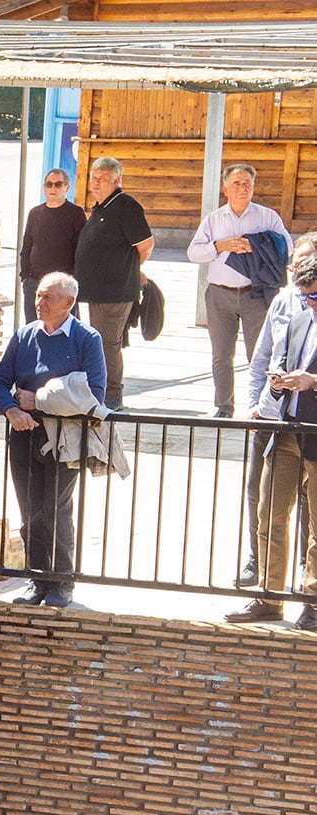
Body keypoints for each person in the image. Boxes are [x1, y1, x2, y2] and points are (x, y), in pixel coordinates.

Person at [0, 273, 107, 610]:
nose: (39, 303)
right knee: (30, 511)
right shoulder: (25, 335)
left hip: (64, 437)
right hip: (24, 436)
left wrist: (37, 401)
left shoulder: (87, 339)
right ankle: (36, 579)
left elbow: (93, 393)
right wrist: (12, 410)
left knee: (56, 509)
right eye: (38, 296)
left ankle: (61, 583)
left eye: (47, 298)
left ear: (68, 303)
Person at [233, 244, 317, 627]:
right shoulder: (298, 314)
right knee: (270, 514)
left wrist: (313, 381)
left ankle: (314, 601)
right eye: (304, 295)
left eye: (313, 294)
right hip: (285, 427)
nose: (307, 302)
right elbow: (269, 358)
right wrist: (277, 387)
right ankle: (270, 596)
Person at [189, 164, 291, 417]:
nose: (243, 188)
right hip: (219, 295)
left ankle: (261, 406)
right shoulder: (214, 219)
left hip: (255, 294)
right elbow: (193, 253)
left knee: (258, 353)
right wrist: (220, 246)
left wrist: (258, 247)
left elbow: (287, 247)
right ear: (225, 188)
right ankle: (223, 407)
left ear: (254, 187)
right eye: (237, 183)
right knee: (221, 355)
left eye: (247, 183)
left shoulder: (266, 216)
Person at [73, 157, 154, 408]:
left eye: (103, 179)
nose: (96, 184)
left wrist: (131, 269)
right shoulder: (101, 206)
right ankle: (100, 390)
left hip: (115, 292)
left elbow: (145, 244)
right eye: (93, 179)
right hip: (97, 291)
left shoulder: (125, 206)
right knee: (99, 342)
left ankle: (112, 395)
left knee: (108, 344)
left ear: (117, 180)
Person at [17, 169, 87, 304]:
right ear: (44, 188)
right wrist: (25, 276)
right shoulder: (35, 213)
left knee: (63, 325)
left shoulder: (76, 213)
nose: (53, 188)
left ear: (67, 187)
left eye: (58, 184)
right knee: (34, 325)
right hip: (35, 283)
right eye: (49, 184)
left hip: (63, 286)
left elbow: (81, 251)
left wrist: (73, 281)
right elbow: (27, 247)